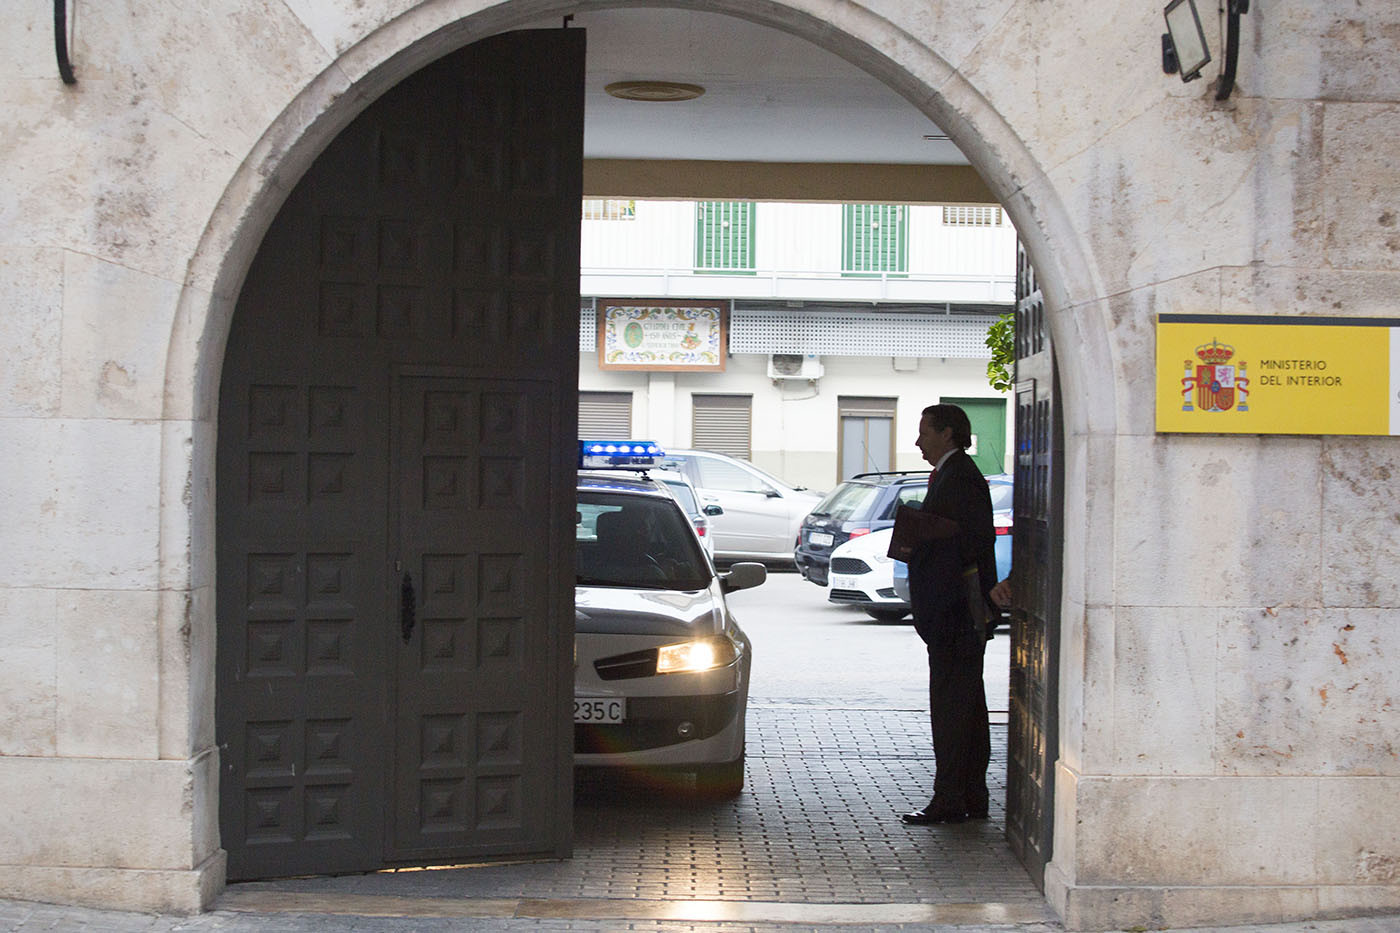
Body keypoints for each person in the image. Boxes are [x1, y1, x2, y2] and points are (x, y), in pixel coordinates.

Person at [900, 403, 998, 825]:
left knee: (953, 707)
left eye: (924, 432)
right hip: (954, 615)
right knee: (968, 706)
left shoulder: (960, 478)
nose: (918, 441)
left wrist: (920, 540)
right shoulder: (953, 476)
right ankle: (972, 794)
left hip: (955, 615)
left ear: (948, 434)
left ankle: (951, 798)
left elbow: (964, 546)